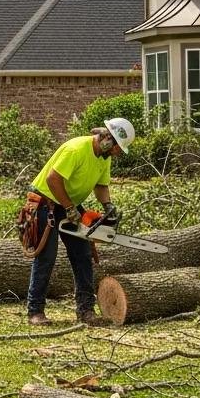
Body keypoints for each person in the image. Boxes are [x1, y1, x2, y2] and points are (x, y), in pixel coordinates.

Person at [25, 117, 135, 327]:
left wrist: (107, 206)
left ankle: (85, 310)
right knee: (46, 256)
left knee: (83, 254)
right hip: (45, 202)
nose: (116, 152)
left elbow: (101, 185)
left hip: (69, 205)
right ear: (106, 138)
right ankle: (35, 311)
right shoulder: (76, 149)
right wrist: (68, 208)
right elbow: (52, 179)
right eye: (116, 147)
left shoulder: (103, 157)